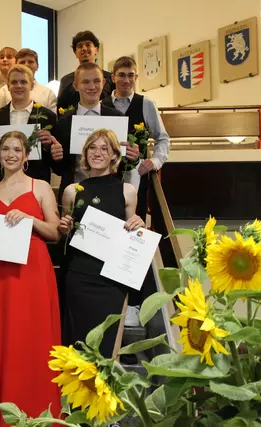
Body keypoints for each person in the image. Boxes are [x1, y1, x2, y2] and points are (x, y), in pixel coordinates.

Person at [0, 131, 62, 427]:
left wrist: (29, 218)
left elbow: (55, 232)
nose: (10, 154)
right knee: (3, 341)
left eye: (17, 149)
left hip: (32, 272)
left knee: (32, 341)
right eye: (5, 149)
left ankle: (37, 411)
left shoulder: (41, 186)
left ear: (26, 155)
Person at [58, 129, 145, 357]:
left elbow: (131, 234)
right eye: (92, 148)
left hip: (111, 281)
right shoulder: (71, 192)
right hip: (79, 276)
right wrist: (64, 229)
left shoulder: (127, 191)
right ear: (85, 154)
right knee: (77, 348)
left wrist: (139, 225)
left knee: (106, 348)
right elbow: (66, 236)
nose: (97, 153)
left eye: (104, 148)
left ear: (114, 156)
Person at [102, 56, 170, 327]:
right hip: (106, 181)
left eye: (131, 75)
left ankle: (135, 301)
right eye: (121, 75)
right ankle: (112, 299)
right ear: (113, 78)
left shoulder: (146, 104)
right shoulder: (103, 106)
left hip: (135, 182)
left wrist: (154, 161)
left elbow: (163, 138)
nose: (126, 80)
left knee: (133, 237)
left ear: (136, 78)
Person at [52, 62, 138, 203]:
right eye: (85, 82)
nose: (92, 87)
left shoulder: (117, 119)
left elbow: (124, 163)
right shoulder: (64, 122)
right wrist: (56, 157)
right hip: (75, 193)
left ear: (103, 83)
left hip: (110, 192)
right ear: (75, 86)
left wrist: (133, 157)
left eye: (96, 81)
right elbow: (59, 170)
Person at [0, 64, 61, 184]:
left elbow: (56, 163)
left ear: (32, 85)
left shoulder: (48, 117)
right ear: (8, 86)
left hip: (36, 182)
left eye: (23, 82)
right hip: (3, 182)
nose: (18, 86)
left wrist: (48, 146)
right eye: (14, 82)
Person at [57, 31, 115, 112]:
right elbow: (61, 108)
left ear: (96, 49)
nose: (84, 48)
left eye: (88, 45)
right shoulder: (66, 80)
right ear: (75, 53)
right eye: (80, 46)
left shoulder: (110, 78)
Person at [0, 48, 57, 114]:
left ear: (37, 66)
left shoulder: (48, 94)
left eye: (30, 62)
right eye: (22, 62)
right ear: (15, 65)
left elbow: (53, 121)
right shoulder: (4, 91)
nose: (26, 64)